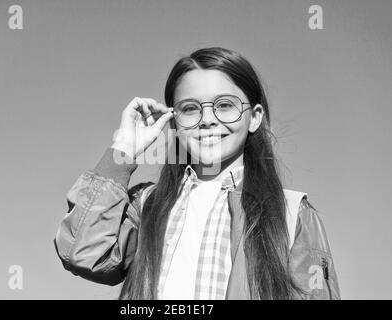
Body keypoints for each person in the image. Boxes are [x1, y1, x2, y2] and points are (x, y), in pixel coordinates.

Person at [54, 47, 341, 300]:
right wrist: (123, 150)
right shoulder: (148, 205)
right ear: (174, 119)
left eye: (225, 105)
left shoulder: (293, 213)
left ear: (254, 117)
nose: (207, 120)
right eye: (190, 109)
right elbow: (84, 253)